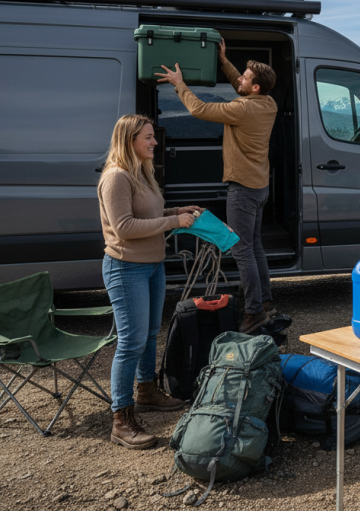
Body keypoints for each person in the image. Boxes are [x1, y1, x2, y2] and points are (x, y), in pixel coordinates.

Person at [156, 39, 280, 333]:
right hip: (260, 187)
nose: (241, 79)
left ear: (255, 89)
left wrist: (179, 84)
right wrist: (224, 61)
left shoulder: (242, 109)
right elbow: (241, 84)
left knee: (241, 250)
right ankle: (264, 302)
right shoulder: (268, 103)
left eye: (246, 78)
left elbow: (198, 109)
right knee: (256, 247)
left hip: (243, 190)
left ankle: (253, 311)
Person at [98, 114, 200, 449]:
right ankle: (121, 420)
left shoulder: (141, 172)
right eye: (148, 137)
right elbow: (125, 226)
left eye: (153, 136)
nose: (155, 142)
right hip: (126, 268)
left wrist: (178, 210)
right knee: (130, 341)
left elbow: (148, 214)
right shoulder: (116, 177)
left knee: (149, 333)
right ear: (129, 140)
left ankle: (146, 390)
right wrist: (173, 220)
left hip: (152, 265)